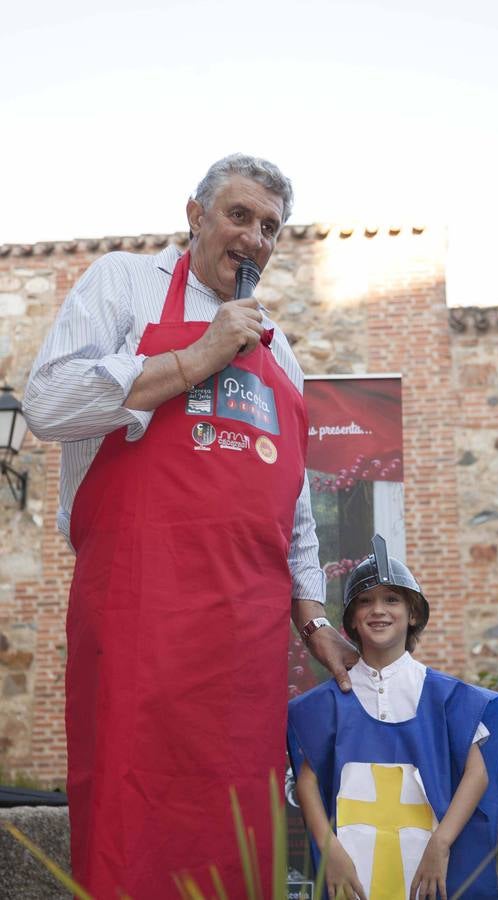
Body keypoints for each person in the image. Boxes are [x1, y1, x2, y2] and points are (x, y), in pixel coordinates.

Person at [23, 153, 357, 899]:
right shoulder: (123, 282)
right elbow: (46, 404)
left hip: (246, 627)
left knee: (236, 816)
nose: (254, 238)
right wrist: (199, 354)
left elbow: (293, 494)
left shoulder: (284, 353)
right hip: (140, 601)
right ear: (196, 215)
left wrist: (311, 611)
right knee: (127, 801)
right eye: (238, 216)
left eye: (270, 227)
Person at [288, 534, 498, 900]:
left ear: (414, 614)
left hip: (426, 866)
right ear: (352, 621)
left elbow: (477, 773)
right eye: (365, 602)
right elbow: (308, 783)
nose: (378, 610)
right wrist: (331, 851)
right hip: (353, 867)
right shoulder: (331, 702)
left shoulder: (445, 697)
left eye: (392, 599)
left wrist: (441, 843)